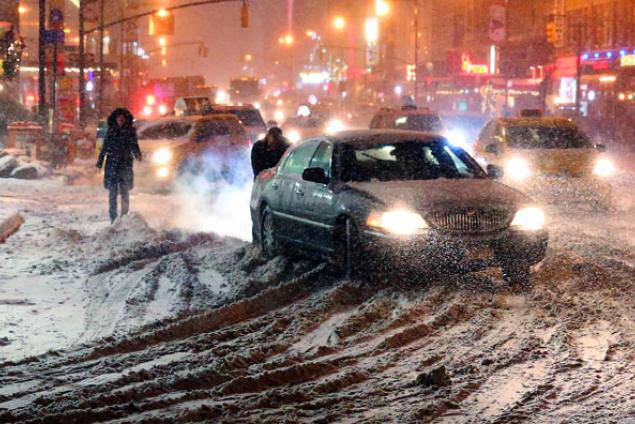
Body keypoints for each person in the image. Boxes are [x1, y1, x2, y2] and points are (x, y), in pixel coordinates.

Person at [96, 108, 142, 223]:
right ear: (115, 119)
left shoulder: (130, 131)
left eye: (122, 118)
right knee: (112, 193)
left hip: (125, 164)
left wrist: (138, 155)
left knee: (124, 192)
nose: (121, 120)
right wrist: (100, 162)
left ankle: (124, 217)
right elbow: (105, 147)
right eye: (119, 118)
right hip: (113, 164)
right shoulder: (111, 131)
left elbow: (134, 145)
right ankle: (113, 218)